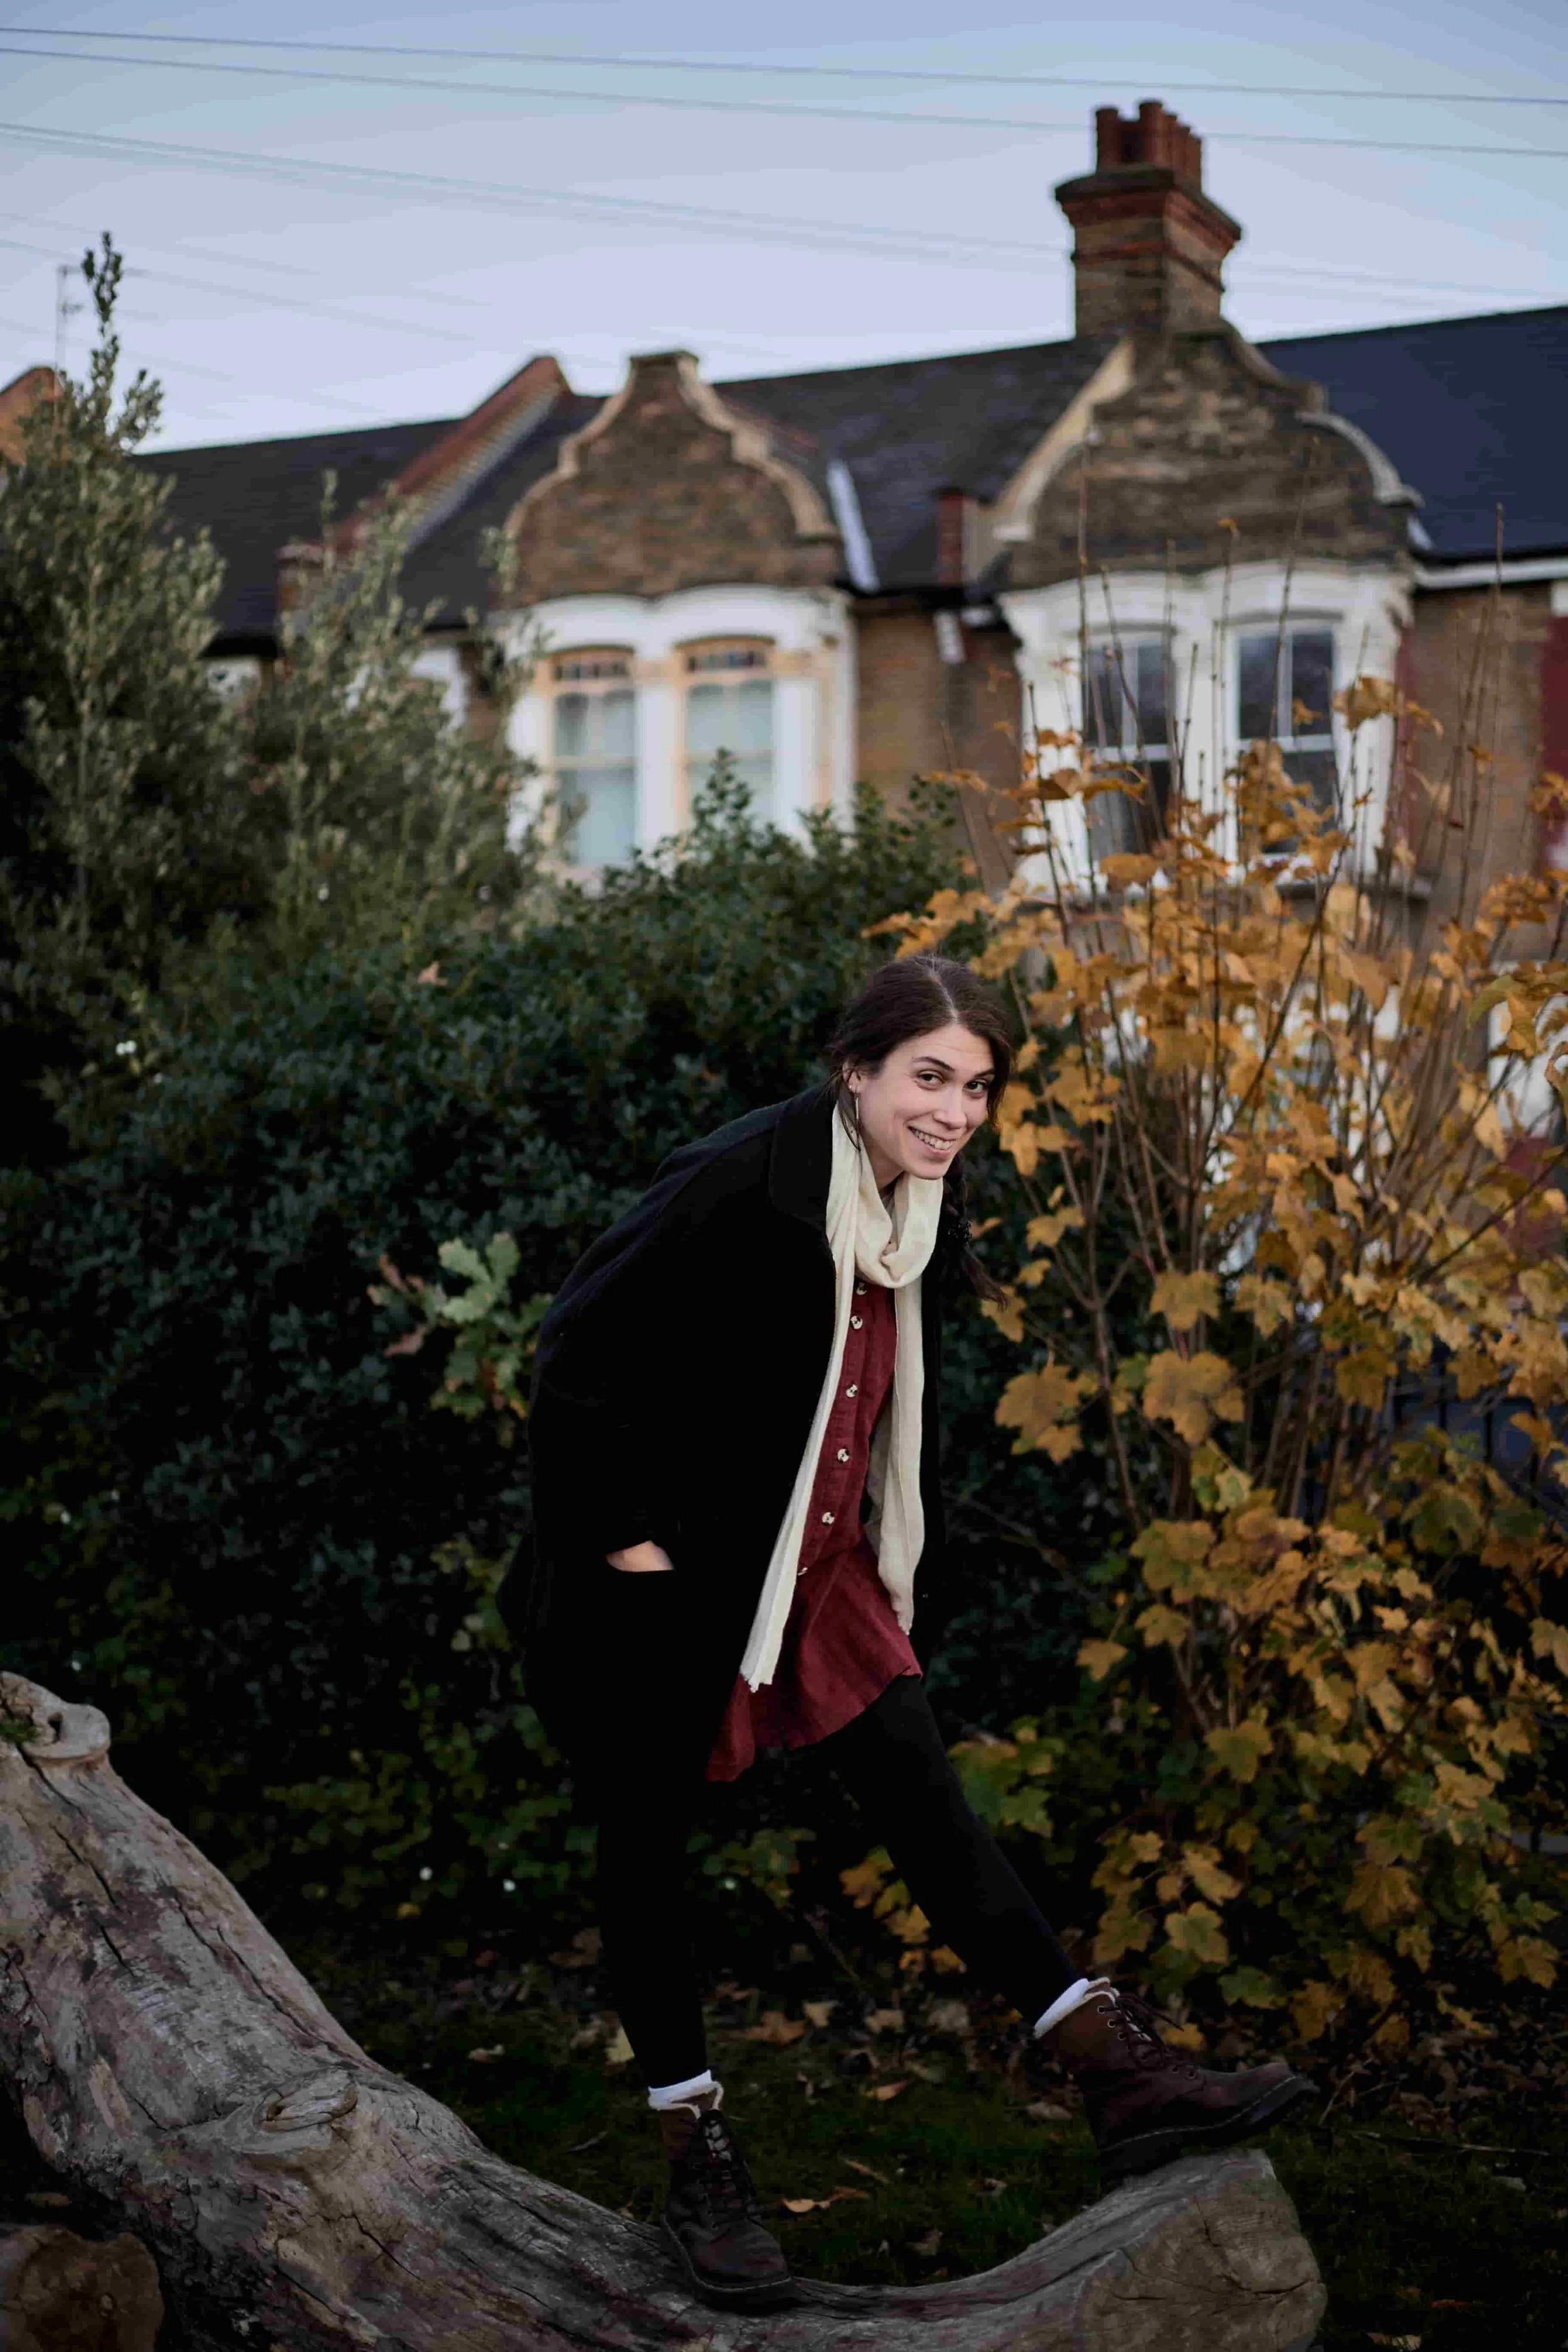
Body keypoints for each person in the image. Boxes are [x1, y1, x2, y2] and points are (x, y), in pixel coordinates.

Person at [512, 953, 1312, 2313]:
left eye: (977, 1086)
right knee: (646, 1855)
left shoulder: (906, 1206)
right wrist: (636, 1556)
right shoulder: (740, 1180)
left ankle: (1117, 2076)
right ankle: (693, 2153)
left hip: (814, 1576)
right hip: (663, 1584)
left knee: (930, 1808)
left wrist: (861, 1562)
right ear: (857, 1072)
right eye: (928, 1078)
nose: (953, 1111)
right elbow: (571, 1354)